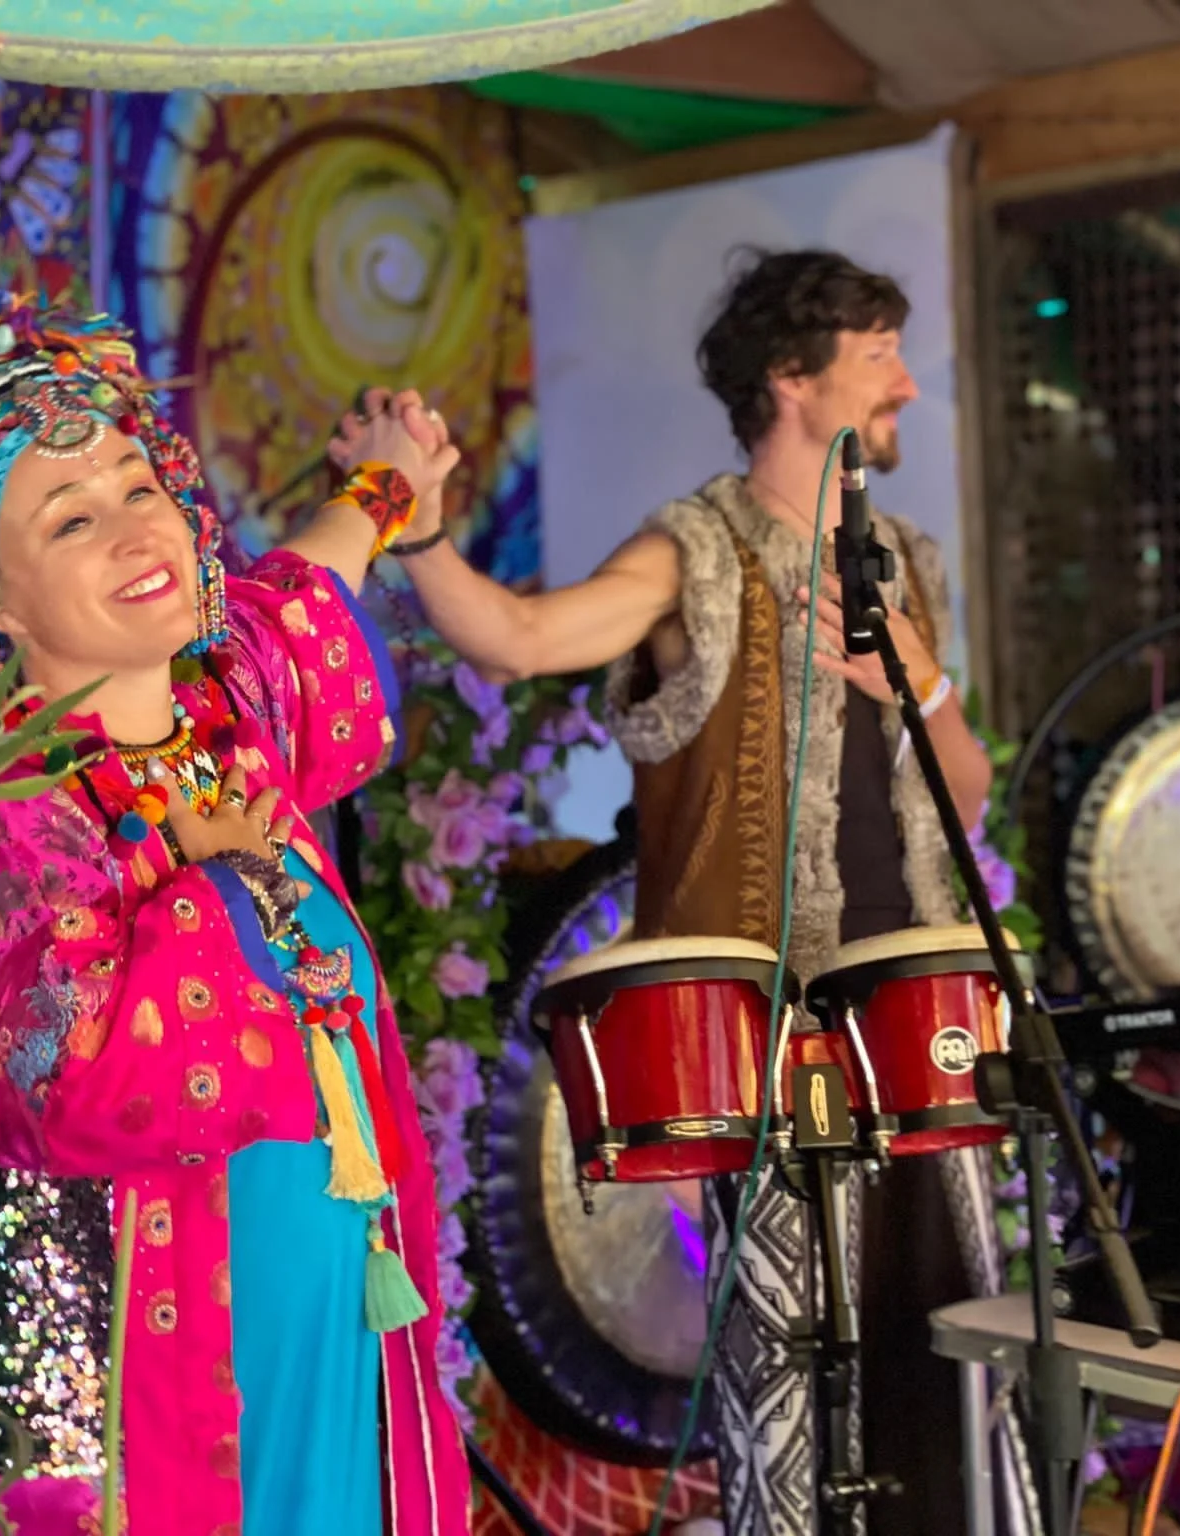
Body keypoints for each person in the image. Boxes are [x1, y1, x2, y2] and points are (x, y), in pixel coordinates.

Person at [336, 249, 1004, 1536]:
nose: (907, 387)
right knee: (791, 1360)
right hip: (760, 1032)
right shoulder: (691, 552)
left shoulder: (903, 563)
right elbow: (521, 637)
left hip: (918, 1012)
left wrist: (912, 681)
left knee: (946, 1327)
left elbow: (958, 793)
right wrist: (414, 531)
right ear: (791, 379)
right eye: (878, 357)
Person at [0, 293, 470, 1536]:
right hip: (143, 1359)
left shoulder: (224, 711)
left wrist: (387, 490)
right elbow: (80, 1079)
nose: (134, 531)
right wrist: (206, 875)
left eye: (138, 487)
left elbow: (304, 586)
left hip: (327, 1303)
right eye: (69, 519)